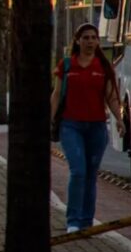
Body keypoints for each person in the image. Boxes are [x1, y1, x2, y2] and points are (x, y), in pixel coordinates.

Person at [50, 23, 125, 233]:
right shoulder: (66, 65)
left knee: (91, 175)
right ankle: (73, 221)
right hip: (70, 126)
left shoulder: (103, 67)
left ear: (98, 42)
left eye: (93, 38)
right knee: (78, 171)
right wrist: (50, 118)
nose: (90, 41)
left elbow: (111, 97)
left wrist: (119, 119)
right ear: (77, 41)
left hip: (96, 128)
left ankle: (86, 221)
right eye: (85, 38)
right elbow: (56, 95)